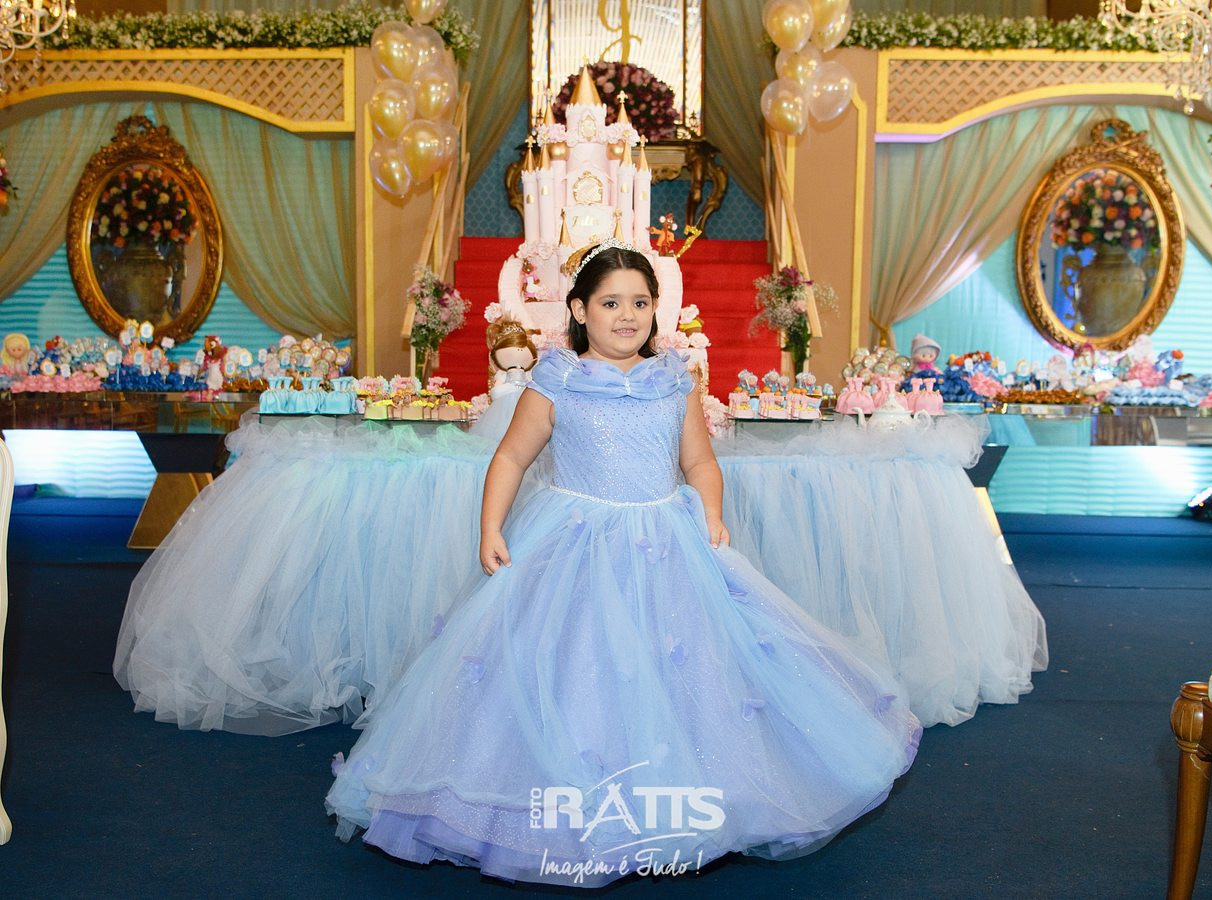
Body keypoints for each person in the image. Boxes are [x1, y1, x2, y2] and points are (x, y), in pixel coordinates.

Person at [325, 240, 921, 887]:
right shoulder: (556, 380)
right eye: (611, 303)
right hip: (573, 543)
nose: (627, 315)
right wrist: (490, 525)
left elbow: (699, 461)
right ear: (580, 309)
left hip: (668, 541)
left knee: (685, 672)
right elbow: (512, 457)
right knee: (575, 671)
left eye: (640, 302)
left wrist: (711, 511)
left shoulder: (673, 381)